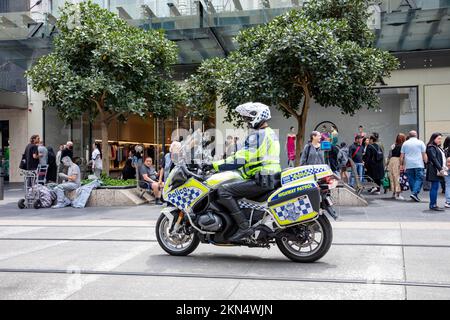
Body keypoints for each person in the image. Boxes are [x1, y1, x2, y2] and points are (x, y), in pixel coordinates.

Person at [210, 102, 281, 242]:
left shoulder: (258, 135)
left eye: (248, 118)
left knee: (223, 191)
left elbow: (241, 159)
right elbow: (248, 157)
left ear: (257, 116)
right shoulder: (270, 132)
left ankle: (244, 227)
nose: (247, 122)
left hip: (261, 179)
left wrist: (215, 165)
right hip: (270, 176)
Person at [400, 131, 427, 202]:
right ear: (416, 135)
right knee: (419, 179)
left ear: (409, 135)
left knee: (411, 179)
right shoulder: (420, 142)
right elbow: (423, 154)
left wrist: (401, 165)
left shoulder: (405, 143)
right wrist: (426, 161)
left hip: (409, 164)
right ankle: (414, 193)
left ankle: (413, 194)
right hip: (419, 164)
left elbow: (402, 156)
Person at [426, 133, 447, 211]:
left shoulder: (436, 147)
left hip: (436, 169)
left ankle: (433, 204)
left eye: (441, 138)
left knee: (435, 187)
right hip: (434, 170)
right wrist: (440, 169)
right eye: (438, 138)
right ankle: (433, 205)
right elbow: (434, 159)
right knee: (434, 187)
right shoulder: (431, 147)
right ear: (433, 138)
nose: (440, 140)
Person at [387, 133, 406, 200]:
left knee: (392, 177)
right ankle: (398, 193)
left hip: (391, 161)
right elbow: (402, 157)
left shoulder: (393, 145)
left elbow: (389, 155)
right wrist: (402, 165)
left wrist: (387, 164)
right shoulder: (403, 146)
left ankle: (394, 193)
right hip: (397, 161)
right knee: (397, 177)